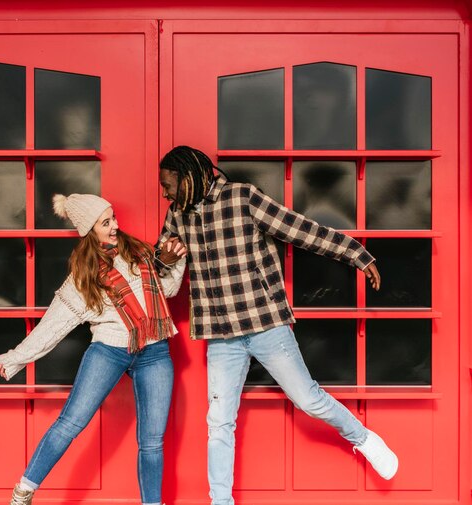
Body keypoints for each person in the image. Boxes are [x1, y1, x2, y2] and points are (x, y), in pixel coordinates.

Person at [155, 145, 398, 505]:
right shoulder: (178, 215)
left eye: (169, 184)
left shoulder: (244, 198)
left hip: (265, 323)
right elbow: (161, 267)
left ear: (189, 176)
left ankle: (362, 438)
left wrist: (356, 254)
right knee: (218, 422)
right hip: (222, 335)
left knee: (308, 399)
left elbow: (302, 230)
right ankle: (220, 501)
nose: (165, 192)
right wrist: (163, 257)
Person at [0, 193, 187, 505]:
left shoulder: (139, 253)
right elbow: (52, 326)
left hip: (154, 351)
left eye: (113, 217)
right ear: (89, 230)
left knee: (152, 441)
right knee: (70, 423)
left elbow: (169, 291)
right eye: (105, 222)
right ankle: (23, 492)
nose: (115, 226)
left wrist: (174, 263)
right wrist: (15, 358)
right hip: (109, 351)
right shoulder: (83, 277)